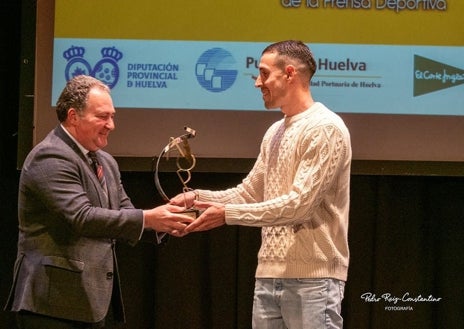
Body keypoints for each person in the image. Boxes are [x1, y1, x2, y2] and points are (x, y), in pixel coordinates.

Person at [171, 40, 352, 329]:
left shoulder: (325, 128)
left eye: (264, 74)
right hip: (268, 276)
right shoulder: (275, 131)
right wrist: (196, 198)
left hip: (314, 280)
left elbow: (299, 206)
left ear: (290, 73)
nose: (258, 83)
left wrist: (226, 215)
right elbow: (248, 192)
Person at [4, 75, 194, 329]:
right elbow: (81, 217)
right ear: (73, 116)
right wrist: (149, 217)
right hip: (52, 304)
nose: (111, 125)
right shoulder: (50, 156)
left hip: (89, 304)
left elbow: (124, 212)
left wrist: (166, 221)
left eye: (112, 116)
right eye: (102, 117)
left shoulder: (106, 162)